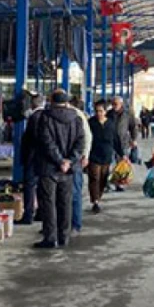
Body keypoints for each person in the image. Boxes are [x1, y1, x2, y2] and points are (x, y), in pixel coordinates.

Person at [32, 89, 86, 249]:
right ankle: (64, 236)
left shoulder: (45, 117)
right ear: (67, 101)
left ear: (51, 100)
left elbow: (46, 141)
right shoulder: (76, 119)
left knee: (48, 203)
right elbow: (81, 142)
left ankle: (50, 238)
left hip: (48, 167)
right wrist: (69, 160)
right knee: (65, 202)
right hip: (68, 169)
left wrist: (59, 160)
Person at [87, 100, 121, 214]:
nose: (98, 113)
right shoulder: (91, 122)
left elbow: (116, 140)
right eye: (96, 111)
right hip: (93, 154)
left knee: (103, 178)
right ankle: (95, 201)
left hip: (106, 155)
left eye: (101, 111)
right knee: (94, 177)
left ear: (105, 111)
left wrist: (123, 154)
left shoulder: (111, 124)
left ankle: (98, 197)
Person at [18, 93, 47, 226]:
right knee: (41, 185)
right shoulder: (46, 116)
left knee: (29, 185)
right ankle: (41, 212)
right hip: (44, 158)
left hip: (33, 157)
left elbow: (32, 139)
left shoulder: (34, 117)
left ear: (33, 104)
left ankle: (28, 214)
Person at [67, 96, 92, 234]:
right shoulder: (77, 115)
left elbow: (86, 137)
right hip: (71, 159)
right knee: (69, 193)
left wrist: (85, 155)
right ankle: (66, 224)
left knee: (74, 192)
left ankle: (75, 223)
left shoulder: (77, 115)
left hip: (72, 159)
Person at [109, 96, 139, 191]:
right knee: (109, 163)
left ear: (121, 104)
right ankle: (109, 183)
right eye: (112, 104)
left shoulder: (127, 114)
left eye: (116, 104)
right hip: (111, 142)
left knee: (121, 164)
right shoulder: (109, 114)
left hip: (123, 142)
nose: (114, 106)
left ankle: (120, 184)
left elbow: (133, 127)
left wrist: (134, 139)